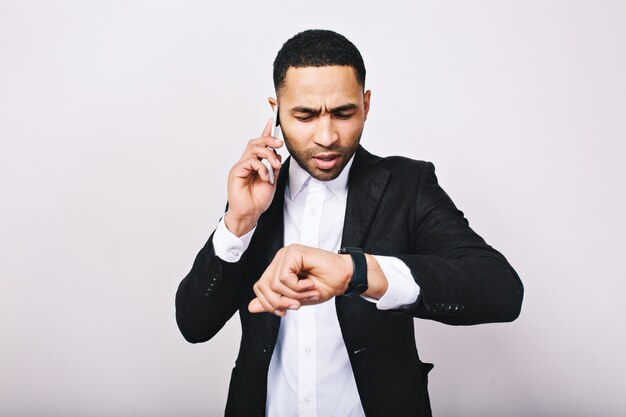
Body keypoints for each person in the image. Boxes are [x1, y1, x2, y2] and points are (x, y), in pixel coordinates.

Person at [175, 29, 523, 417]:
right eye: (305, 115)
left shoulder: (408, 185)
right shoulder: (255, 197)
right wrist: (238, 222)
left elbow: (501, 290)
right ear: (275, 111)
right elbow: (194, 324)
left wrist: (358, 271)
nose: (327, 137)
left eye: (343, 113)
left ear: (366, 104)